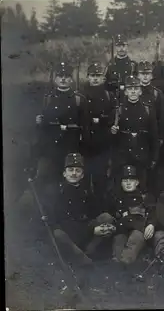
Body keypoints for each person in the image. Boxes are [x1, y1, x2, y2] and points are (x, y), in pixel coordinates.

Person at [47, 153, 115, 265]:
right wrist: (92, 229)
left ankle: (89, 251)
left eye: (78, 170)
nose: (74, 173)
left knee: (106, 218)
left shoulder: (85, 191)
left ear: (82, 175)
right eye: (70, 170)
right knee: (59, 234)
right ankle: (82, 258)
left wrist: (105, 226)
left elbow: (95, 212)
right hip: (69, 233)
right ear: (64, 173)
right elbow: (65, 222)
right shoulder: (58, 193)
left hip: (84, 231)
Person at [32, 62, 89, 191]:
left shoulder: (79, 100)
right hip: (51, 149)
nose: (63, 79)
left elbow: (85, 127)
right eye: (60, 76)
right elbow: (41, 126)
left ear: (71, 79)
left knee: (72, 185)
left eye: (66, 76)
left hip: (71, 148)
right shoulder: (48, 99)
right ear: (55, 79)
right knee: (47, 182)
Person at [110, 76, 159, 193]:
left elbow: (154, 136)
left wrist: (154, 158)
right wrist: (113, 132)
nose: (133, 91)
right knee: (122, 187)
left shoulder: (148, 109)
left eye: (136, 88)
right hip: (123, 156)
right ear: (125, 92)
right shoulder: (118, 110)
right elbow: (112, 140)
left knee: (141, 186)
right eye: (130, 88)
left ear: (140, 91)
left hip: (142, 155)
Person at [81, 61, 116, 204]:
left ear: (103, 78)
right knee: (84, 178)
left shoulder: (109, 96)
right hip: (84, 144)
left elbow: (113, 117)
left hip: (103, 145)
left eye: (98, 75)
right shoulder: (81, 96)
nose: (95, 78)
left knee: (101, 178)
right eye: (92, 75)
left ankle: (101, 206)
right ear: (88, 77)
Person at [111, 165, 157, 265]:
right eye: (125, 180)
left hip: (139, 230)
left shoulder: (145, 197)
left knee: (128, 254)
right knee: (117, 251)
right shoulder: (117, 197)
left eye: (131, 180)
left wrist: (151, 224)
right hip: (122, 230)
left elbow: (153, 213)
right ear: (121, 183)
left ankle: (125, 267)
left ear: (137, 182)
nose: (128, 183)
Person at [138, 60, 164, 197]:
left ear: (151, 76)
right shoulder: (133, 92)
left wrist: (161, 137)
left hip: (153, 137)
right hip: (137, 138)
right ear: (138, 75)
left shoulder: (157, 94)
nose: (145, 77)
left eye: (147, 74)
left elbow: (163, 118)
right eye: (142, 74)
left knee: (154, 168)